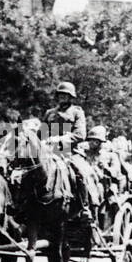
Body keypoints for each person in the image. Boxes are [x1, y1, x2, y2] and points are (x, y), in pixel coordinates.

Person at [43, 81, 99, 217]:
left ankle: (85, 206)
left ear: (70, 97)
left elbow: (80, 135)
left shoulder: (77, 112)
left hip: (71, 151)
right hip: (50, 151)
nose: (62, 97)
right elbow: (42, 132)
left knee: (83, 173)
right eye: (60, 94)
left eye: (65, 95)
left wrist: (60, 139)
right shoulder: (49, 113)